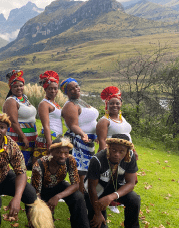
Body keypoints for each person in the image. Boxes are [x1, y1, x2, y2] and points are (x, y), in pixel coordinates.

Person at [31, 136, 89, 228]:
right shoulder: (39, 165)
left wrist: (57, 197)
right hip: (41, 190)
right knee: (41, 218)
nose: (63, 156)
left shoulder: (70, 159)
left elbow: (75, 184)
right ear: (51, 152)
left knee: (78, 197)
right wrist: (44, 207)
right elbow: (36, 193)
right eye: (58, 152)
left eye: (66, 153)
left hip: (59, 185)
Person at [86, 134, 140, 228]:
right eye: (114, 150)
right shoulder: (97, 160)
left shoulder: (130, 157)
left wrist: (111, 197)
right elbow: (92, 188)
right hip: (95, 193)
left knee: (134, 199)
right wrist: (98, 214)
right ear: (108, 147)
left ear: (127, 151)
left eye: (121, 151)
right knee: (99, 224)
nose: (116, 154)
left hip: (115, 189)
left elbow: (131, 183)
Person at [96, 86, 133, 214]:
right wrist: (105, 158)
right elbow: (102, 141)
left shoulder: (122, 119)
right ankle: (102, 202)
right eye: (111, 103)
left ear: (121, 104)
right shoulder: (104, 121)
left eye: (117, 103)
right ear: (107, 105)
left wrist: (134, 152)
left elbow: (128, 135)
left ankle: (115, 202)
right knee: (110, 179)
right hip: (112, 154)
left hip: (126, 155)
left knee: (123, 179)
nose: (115, 105)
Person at [60, 78, 99, 194]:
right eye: (71, 89)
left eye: (76, 86)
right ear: (66, 92)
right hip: (78, 140)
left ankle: (81, 191)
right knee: (80, 170)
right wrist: (83, 134)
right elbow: (73, 125)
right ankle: (80, 193)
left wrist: (95, 135)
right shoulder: (70, 105)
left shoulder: (80, 102)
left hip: (87, 140)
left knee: (85, 168)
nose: (75, 90)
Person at [2, 70, 37, 168]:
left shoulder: (25, 98)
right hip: (18, 137)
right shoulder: (11, 101)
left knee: (26, 166)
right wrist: (23, 137)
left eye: (21, 85)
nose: (19, 88)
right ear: (11, 88)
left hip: (31, 135)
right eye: (15, 86)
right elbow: (13, 121)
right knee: (18, 164)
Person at [36, 70, 62, 162]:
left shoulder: (54, 103)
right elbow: (46, 125)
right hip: (48, 138)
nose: (53, 91)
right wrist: (50, 144)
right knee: (45, 168)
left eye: (55, 88)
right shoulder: (44, 104)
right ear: (45, 89)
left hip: (57, 137)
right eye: (50, 88)